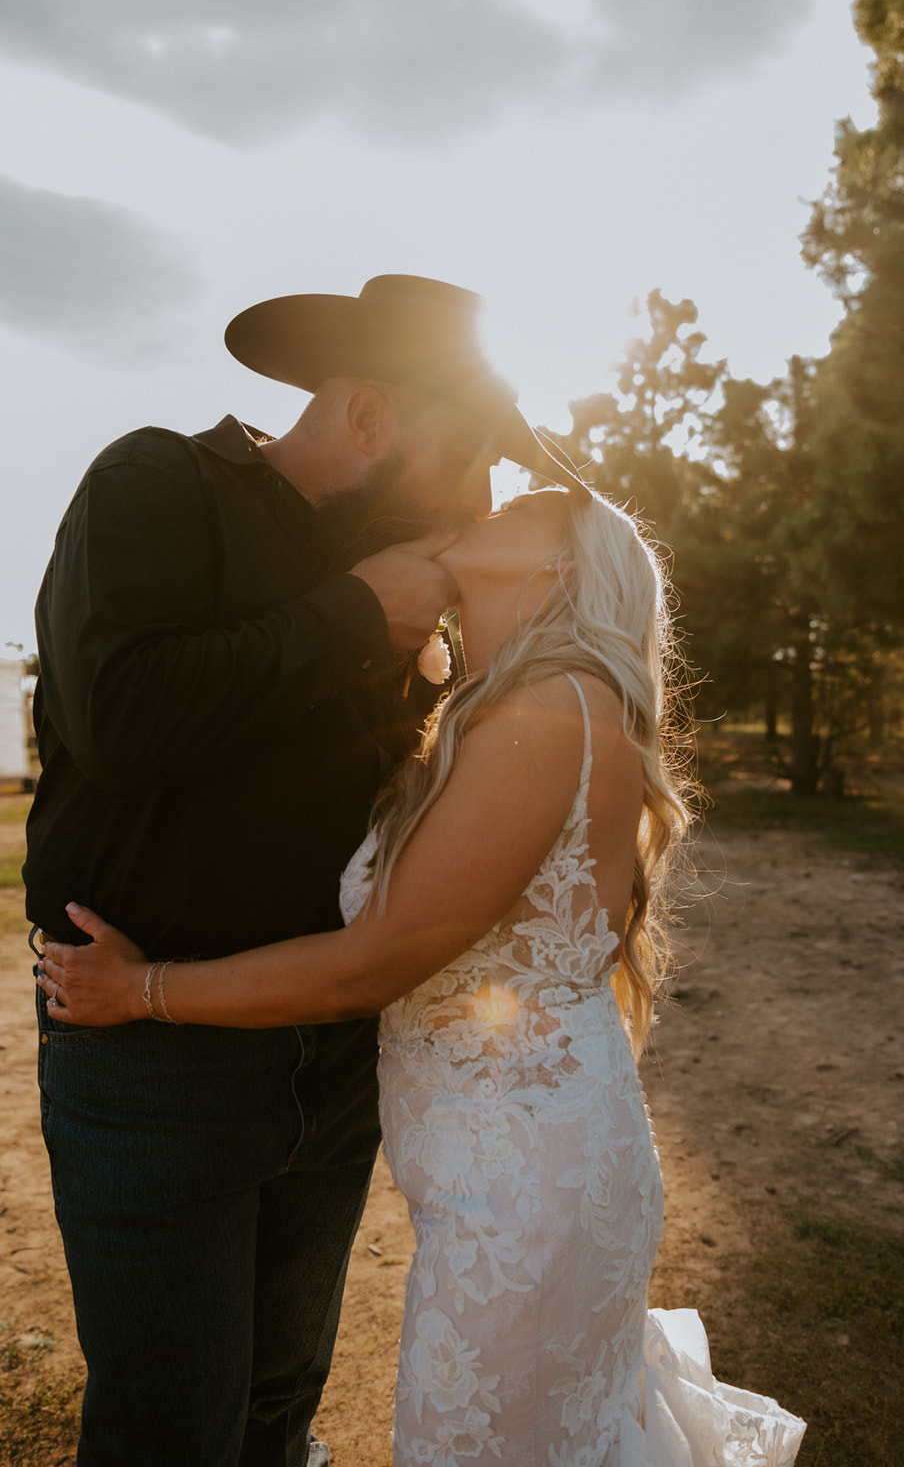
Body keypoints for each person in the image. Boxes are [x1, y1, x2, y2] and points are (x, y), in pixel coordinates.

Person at [39, 488, 807, 1466]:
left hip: (524, 1194)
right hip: (521, 1169)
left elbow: (370, 965)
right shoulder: (524, 701)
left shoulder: (550, 705)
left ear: (562, 567)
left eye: (530, 501)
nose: (492, 490)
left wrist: (142, 991)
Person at [24, 273, 590, 1467]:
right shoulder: (155, 485)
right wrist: (352, 614)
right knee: (168, 1428)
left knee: (279, 1406)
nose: (477, 497)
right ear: (372, 420)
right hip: (150, 1058)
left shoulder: (399, 582)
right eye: (465, 456)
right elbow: (119, 720)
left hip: (331, 1054)